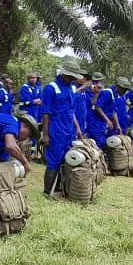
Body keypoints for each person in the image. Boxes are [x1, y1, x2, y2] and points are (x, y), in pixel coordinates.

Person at [40, 58, 86, 196]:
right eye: (70, 76)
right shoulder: (51, 88)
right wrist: (46, 134)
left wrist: (77, 127)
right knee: (54, 159)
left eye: (74, 77)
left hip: (69, 129)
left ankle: (60, 188)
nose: (72, 79)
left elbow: (71, 111)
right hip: (56, 128)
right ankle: (47, 192)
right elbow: (46, 113)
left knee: (66, 158)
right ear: (63, 73)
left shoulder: (71, 88)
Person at [85, 73, 117, 148]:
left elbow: (94, 104)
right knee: (97, 141)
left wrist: (97, 93)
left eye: (98, 82)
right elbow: (94, 105)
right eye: (95, 82)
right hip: (91, 119)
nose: (97, 84)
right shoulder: (86, 92)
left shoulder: (101, 92)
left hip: (97, 120)